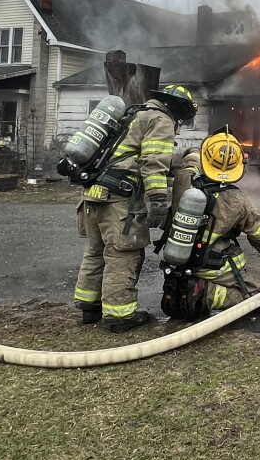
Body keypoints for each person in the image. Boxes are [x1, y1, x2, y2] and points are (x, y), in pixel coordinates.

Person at [73, 83, 198, 332]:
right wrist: (159, 200)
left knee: (96, 251)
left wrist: (175, 163)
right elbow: (152, 161)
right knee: (123, 254)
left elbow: (132, 153)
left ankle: (89, 307)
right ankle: (120, 316)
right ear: (178, 111)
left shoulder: (135, 114)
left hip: (93, 194)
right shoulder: (162, 120)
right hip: (119, 199)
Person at [166, 128, 260, 318]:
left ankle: (185, 286)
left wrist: (197, 152)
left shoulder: (184, 180)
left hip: (178, 261)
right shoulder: (238, 200)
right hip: (212, 268)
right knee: (258, 296)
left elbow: (190, 162)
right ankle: (203, 294)